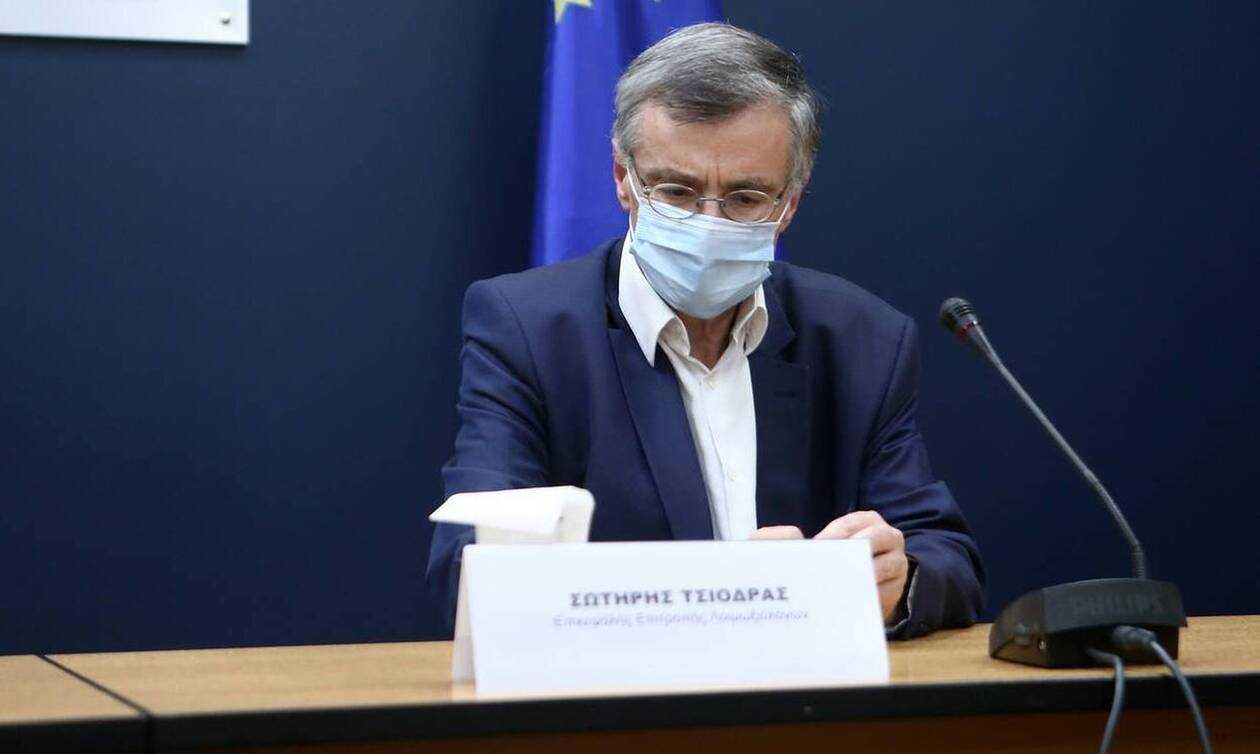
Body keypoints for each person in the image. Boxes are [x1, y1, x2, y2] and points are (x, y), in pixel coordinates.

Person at [427, 23, 983, 638]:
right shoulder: (528, 331)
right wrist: (726, 592)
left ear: (790, 204)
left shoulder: (860, 339)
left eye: (745, 198)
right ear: (623, 179)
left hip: (800, 694)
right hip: (620, 693)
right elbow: (469, 568)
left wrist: (896, 581)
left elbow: (946, 559)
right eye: (677, 191)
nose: (708, 222)